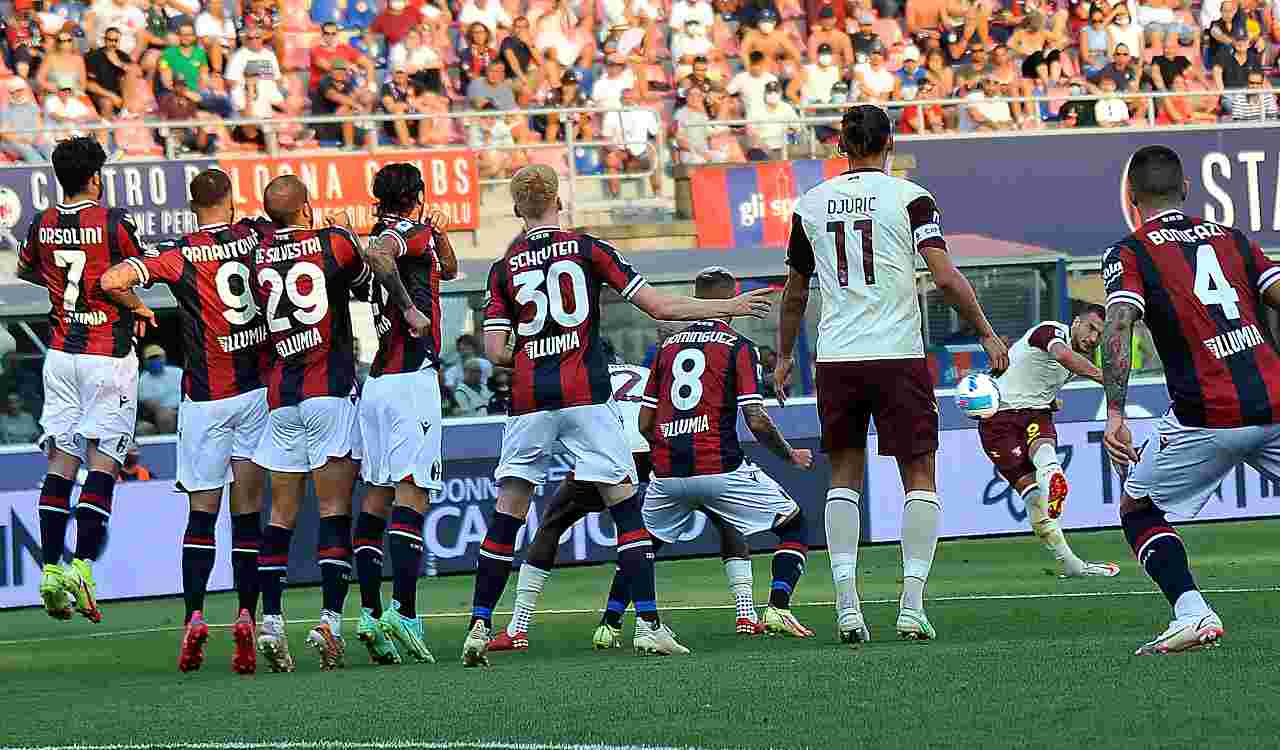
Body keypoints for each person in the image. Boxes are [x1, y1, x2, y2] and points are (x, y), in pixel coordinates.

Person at [462, 164, 773, 666]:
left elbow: (496, 350)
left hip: (528, 402)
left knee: (509, 511)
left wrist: (536, 349)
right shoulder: (587, 249)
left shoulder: (503, 267)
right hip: (586, 396)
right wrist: (730, 306)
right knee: (625, 507)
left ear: (517, 209)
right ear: (558, 200)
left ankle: (479, 624)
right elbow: (660, 308)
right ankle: (648, 624)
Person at [776, 105, 1008, 645]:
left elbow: (794, 292)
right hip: (896, 354)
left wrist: (785, 356)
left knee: (843, 476)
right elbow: (945, 277)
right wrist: (986, 332)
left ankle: (847, 606)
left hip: (836, 357)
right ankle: (910, 605)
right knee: (919, 474)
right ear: (890, 142)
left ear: (841, 147)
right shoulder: (911, 198)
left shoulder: (809, 205)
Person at [1100, 145, 1280, 654]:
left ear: (1133, 198)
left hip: (1206, 416)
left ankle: (1192, 611)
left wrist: (1115, 413)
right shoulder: (1233, 239)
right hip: (1274, 399)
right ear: (1186, 189)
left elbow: (1118, 323)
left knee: (1139, 505)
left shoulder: (1130, 251)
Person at [248, 175, 428, 673]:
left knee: (279, 518)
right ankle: (329, 620)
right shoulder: (331, 242)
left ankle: (273, 621)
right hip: (328, 389)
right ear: (306, 207)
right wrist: (345, 231)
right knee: (332, 512)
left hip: (280, 396)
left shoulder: (259, 254)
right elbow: (372, 281)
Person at [100, 169, 275, 675]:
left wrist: (137, 306)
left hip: (205, 399)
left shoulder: (180, 252)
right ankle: (246, 615)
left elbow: (112, 279)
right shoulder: (257, 238)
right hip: (255, 396)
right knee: (247, 516)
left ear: (193, 206)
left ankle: (195, 617)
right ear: (232, 201)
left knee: (201, 515)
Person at [486, 342, 771, 653]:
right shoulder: (644, 372)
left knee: (553, 523)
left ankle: (519, 627)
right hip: (660, 447)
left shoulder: (581, 374)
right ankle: (744, 612)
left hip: (611, 452)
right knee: (715, 513)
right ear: (619, 358)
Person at [16, 136, 155, 624]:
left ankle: (50, 569)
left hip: (59, 353)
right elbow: (132, 276)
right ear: (96, 176)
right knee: (103, 465)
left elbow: (26, 269)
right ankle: (82, 567)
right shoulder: (115, 223)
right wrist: (133, 305)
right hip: (107, 357)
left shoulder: (43, 223)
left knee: (60, 459)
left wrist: (64, 291)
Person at [640, 267, 817, 637]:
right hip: (720, 467)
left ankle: (628, 624)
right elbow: (756, 420)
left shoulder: (664, 349)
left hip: (667, 473)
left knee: (640, 547)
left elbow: (645, 423)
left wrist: (667, 452)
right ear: (733, 299)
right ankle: (777, 607)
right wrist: (789, 455)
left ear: (694, 295)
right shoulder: (738, 346)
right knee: (794, 524)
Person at [349, 164, 458, 667]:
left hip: (377, 383)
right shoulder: (400, 233)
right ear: (416, 194)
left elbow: (449, 270)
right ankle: (405, 611)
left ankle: (370, 613)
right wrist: (410, 309)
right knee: (412, 494)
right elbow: (383, 253)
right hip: (411, 379)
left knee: (376, 497)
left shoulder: (411, 233)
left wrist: (439, 233)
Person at [977, 306, 1122, 578]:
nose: (1093, 338)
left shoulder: (1081, 355)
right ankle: (1070, 559)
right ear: (1076, 321)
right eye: (1090, 328)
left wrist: (1052, 399)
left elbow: (1038, 375)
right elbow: (1062, 355)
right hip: (998, 418)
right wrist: (1105, 378)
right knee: (1034, 498)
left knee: (1042, 451)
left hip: (1034, 412)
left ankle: (1053, 477)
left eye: (1099, 335)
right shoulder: (1051, 331)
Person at [0, 79, 55, 163]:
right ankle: (41, 169)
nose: (17, 94)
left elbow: (39, 126)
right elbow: (4, 133)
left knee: (48, 148)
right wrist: (21, 139)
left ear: (25, 90)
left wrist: (32, 138)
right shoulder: (5, 109)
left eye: (19, 90)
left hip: (33, 138)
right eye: (13, 91)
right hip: (13, 142)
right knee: (28, 150)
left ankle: (55, 171)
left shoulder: (32, 106)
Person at [136, 344, 182, 433]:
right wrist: (170, 412)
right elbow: (152, 405)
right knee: (165, 416)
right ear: (144, 361)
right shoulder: (143, 380)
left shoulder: (178, 372)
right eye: (151, 358)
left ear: (164, 358)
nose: (155, 360)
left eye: (158, 357)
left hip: (183, 410)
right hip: (160, 414)